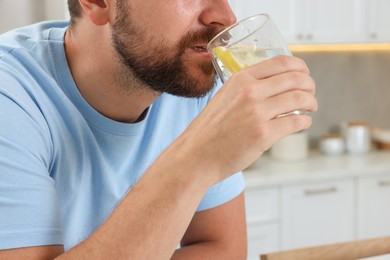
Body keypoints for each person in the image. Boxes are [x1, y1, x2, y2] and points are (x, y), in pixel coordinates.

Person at [0, 0, 317, 259]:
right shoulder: (11, 96)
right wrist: (197, 159)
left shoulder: (187, 80)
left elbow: (223, 249)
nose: (225, 16)